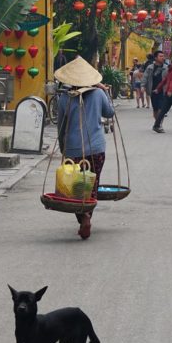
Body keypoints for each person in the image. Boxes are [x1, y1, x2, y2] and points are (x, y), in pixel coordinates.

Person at [55, 57, 115, 240]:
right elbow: (110, 113)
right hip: (96, 148)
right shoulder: (98, 94)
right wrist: (105, 92)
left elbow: (61, 126)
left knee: (75, 188)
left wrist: (62, 147)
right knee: (92, 185)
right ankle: (88, 216)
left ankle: (83, 217)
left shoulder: (64, 98)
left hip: (73, 149)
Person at [143, 51, 168, 122]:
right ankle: (157, 123)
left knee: (161, 109)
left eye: (163, 56)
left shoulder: (166, 68)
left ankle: (159, 124)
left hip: (163, 91)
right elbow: (145, 77)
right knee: (155, 110)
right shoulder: (150, 67)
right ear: (156, 58)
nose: (163, 58)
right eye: (160, 56)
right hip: (153, 91)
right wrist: (142, 86)